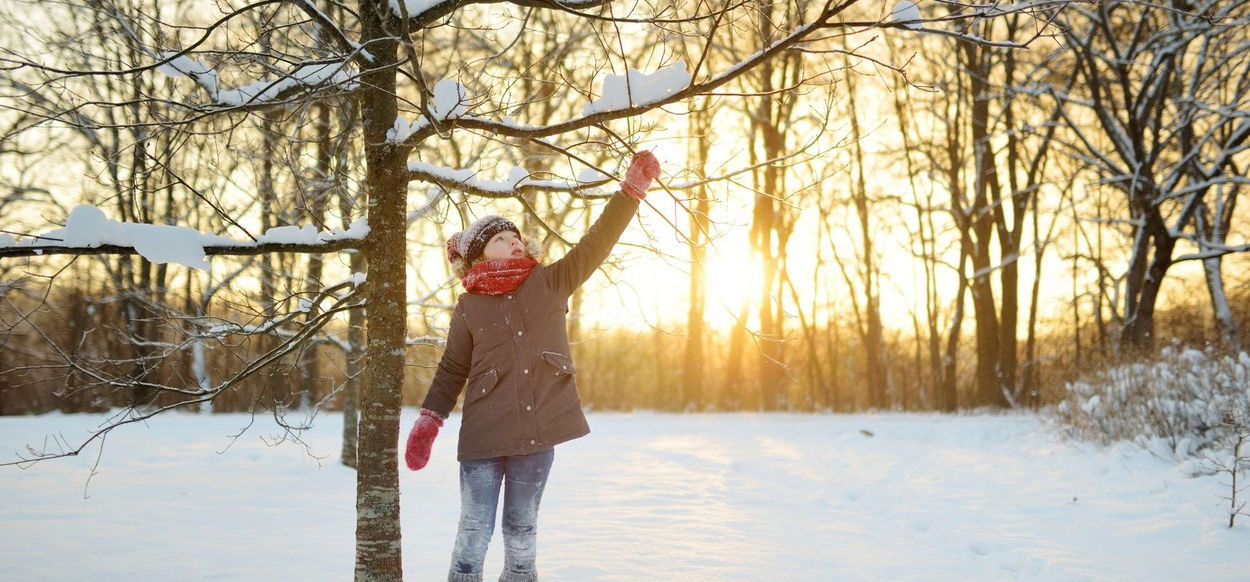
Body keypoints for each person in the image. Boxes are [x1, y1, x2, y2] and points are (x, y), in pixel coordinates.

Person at [404, 151, 662, 582]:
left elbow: (596, 244)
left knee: (521, 532)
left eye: (516, 236)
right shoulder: (469, 306)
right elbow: (452, 367)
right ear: (480, 255)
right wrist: (430, 419)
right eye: (502, 239)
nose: (514, 241)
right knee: (473, 531)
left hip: (537, 433)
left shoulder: (550, 281)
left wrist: (631, 191)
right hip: (483, 436)